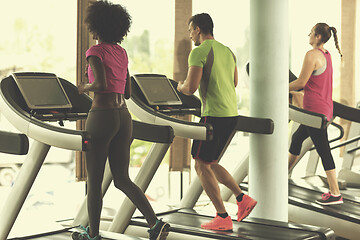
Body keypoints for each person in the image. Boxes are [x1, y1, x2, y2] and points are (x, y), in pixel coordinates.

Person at [72, 1, 170, 240]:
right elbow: (126, 92)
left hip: (102, 115)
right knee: (122, 179)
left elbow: (101, 86)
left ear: (96, 26)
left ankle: (93, 235)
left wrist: (83, 86)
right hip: (124, 116)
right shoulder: (122, 52)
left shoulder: (94, 52)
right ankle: (155, 223)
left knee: (94, 182)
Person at [177, 13, 257, 231]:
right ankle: (242, 199)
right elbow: (234, 81)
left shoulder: (199, 52)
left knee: (201, 164)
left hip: (213, 116)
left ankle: (222, 216)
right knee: (209, 162)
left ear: (198, 30)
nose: (190, 34)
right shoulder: (228, 51)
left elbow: (191, 88)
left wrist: (180, 86)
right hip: (231, 115)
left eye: (190, 30)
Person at [288, 23, 343, 205]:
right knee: (296, 139)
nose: (308, 35)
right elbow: (314, 84)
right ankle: (283, 175)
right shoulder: (326, 54)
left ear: (318, 36)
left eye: (311, 32)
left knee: (323, 149)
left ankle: (335, 193)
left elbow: (301, 82)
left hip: (314, 112)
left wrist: (279, 87)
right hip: (323, 108)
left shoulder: (311, 55)